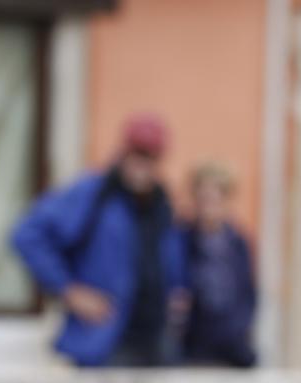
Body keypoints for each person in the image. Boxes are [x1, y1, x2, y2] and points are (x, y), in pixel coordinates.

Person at [11, 113, 187, 367]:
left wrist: (177, 290)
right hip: (105, 341)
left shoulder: (162, 204)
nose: (142, 164)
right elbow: (28, 235)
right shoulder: (94, 194)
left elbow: (170, 260)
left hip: (156, 343)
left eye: (150, 156)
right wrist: (69, 290)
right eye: (137, 153)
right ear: (124, 152)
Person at [182, 162, 257, 367]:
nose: (209, 206)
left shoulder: (238, 243)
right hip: (193, 345)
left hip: (232, 344)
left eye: (214, 199)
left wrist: (240, 329)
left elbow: (247, 293)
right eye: (204, 198)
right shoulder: (182, 239)